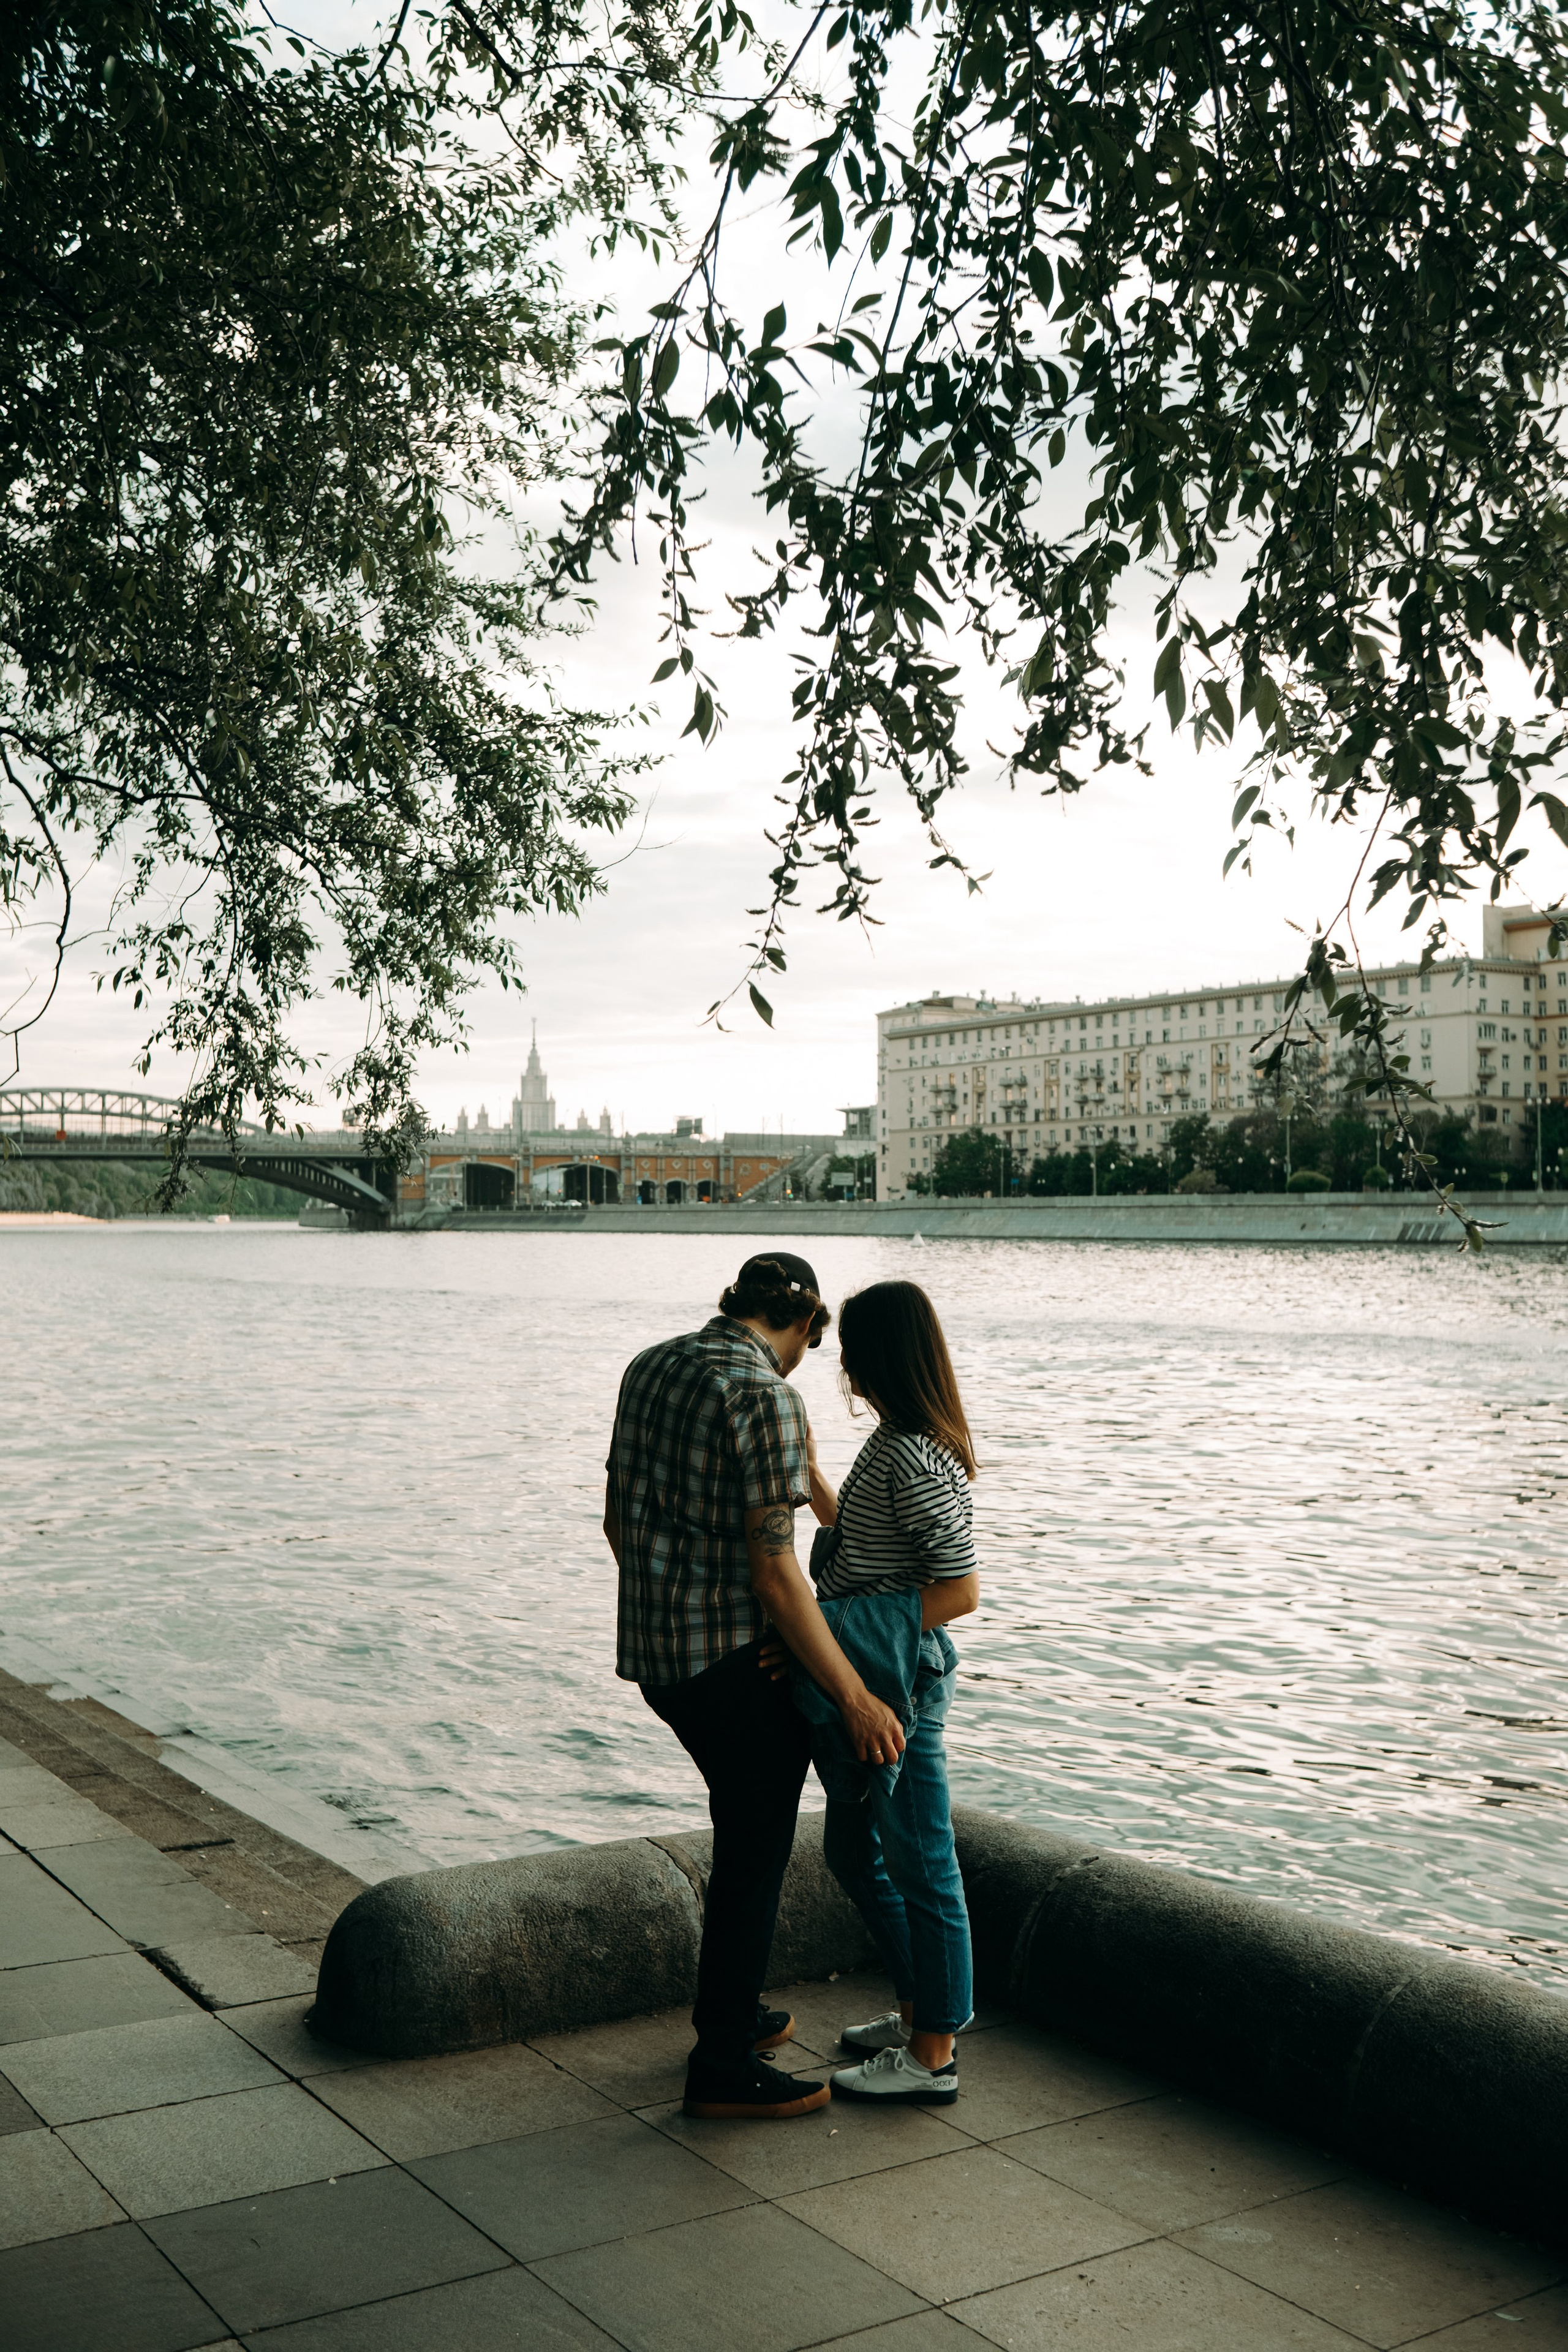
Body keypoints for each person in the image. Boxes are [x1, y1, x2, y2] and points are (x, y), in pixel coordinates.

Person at [604, 1252, 908, 2121]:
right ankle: (723, 2065)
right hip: (732, 1665)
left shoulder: (651, 1364)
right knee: (753, 1852)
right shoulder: (766, 1397)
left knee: (741, 1834)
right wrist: (853, 1693)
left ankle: (733, 2012)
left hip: (658, 1657)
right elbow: (778, 1573)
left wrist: (674, 1603)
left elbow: (619, 1521)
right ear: (806, 1326)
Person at [785, 1278, 979, 2105]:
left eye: (853, 1348)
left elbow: (960, 1589)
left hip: (900, 1685)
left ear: (885, 1355)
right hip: (876, 1674)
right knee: (853, 1852)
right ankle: (915, 2013)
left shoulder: (911, 1451)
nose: (841, 1363)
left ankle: (934, 2053)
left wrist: (827, 1635)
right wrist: (816, 1483)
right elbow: (868, 1548)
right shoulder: (899, 1440)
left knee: (922, 1862)